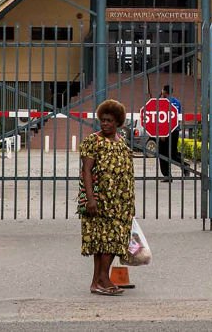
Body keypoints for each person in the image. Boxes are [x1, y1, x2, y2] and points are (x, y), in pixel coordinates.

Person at [79, 99, 136, 296]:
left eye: (109, 120)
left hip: (121, 203)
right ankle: (104, 278)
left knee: (113, 240)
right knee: (103, 240)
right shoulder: (92, 141)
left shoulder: (122, 143)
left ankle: (97, 282)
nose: (105, 124)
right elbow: (86, 171)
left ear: (118, 122)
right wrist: (90, 199)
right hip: (101, 201)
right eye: (102, 120)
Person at [156, 85, 187, 181]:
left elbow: (163, 118)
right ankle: (185, 166)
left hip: (166, 131)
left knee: (162, 152)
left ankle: (167, 175)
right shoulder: (177, 102)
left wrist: (162, 132)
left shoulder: (163, 102)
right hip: (175, 130)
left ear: (164, 91)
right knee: (173, 153)